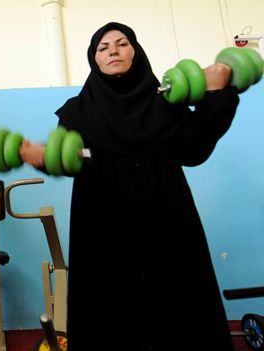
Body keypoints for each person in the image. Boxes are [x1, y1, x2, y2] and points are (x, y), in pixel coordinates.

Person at [20, 22, 238, 350]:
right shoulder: (78, 113)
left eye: (122, 44)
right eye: (103, 48)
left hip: (167, 220)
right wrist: (49, 157)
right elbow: (82, 157)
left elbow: (191, 151)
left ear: (135, 51)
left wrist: (217, 96)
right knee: (111, 318)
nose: (113, 52)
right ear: (93, 59)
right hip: (104, 226)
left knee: (179, 313)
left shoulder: (166, 101)